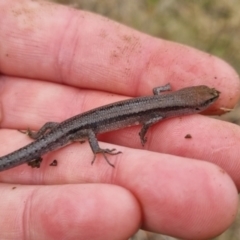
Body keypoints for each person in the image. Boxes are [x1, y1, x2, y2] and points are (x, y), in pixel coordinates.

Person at [0, 1, 240, 239]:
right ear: (192, 107)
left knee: (52, 126)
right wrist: (121, 142)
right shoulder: (159, 112)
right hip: (79, 130)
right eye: (204, 103)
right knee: (83, 133)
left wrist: (164, 89)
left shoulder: (162, 103)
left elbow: (156, 94)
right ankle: (85, 149)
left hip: (66, 126)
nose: (210, 101)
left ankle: (35, 137)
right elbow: (146, 123)